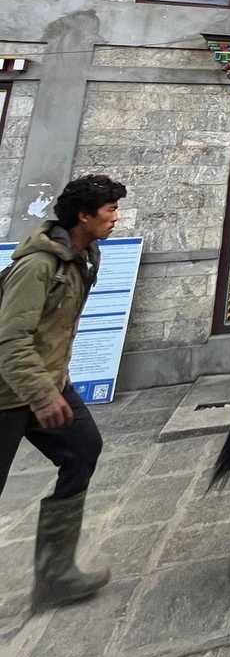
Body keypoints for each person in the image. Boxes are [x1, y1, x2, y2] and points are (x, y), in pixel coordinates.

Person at [0, 174, 127, 611]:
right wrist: (41, 394)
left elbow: (57, 326)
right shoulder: (37, 266)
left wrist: (57, 376)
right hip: (8, 391)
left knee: (82, 449)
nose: (116, 217)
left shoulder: (85, 257)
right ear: (84, 216)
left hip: (50, 381)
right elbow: (11, 338)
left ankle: (55, 575)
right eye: (110, 210)